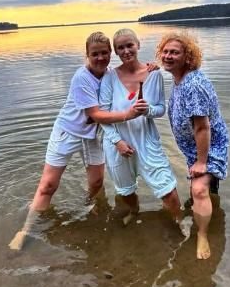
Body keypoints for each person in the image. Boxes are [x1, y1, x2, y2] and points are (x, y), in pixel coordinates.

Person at [9, 31, 145, 250]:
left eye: (104, 53)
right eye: (95, 54)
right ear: (87, 55)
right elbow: (96, 114)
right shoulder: (82, 77)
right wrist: (128, 115)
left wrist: (150, 68)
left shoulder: (110, 74)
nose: (100, 58)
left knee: (97, 183)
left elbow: (132, 74)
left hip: (93, 136)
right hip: (68, 132)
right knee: (48, 185)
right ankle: (25, 231)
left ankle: (91, 212)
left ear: (110, 53)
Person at [99, 28, 183, 228]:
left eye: (130, 45)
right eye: (121, 48)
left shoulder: (154, 74)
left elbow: (161, 109)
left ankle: (179, 224)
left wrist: (148, 110)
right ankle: (134, 210)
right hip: (118, 143)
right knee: (126, 190)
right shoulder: (109, 77)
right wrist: (117, 142)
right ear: (116, 51)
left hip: (147, 140)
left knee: (167, 189)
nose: (126, 51)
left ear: (138, 45)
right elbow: (101, 115)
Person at [156, 31, 230, 260]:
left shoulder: (193, 84)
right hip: (194, 148)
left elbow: (202, 128)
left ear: (187, 57)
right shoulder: (179, 78)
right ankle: (210, 202)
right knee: (203, 188)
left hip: (209, 145)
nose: (168, 56)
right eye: (165, 52)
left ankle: (202, 235)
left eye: (174, 53)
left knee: (198, 189)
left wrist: (201, 161)